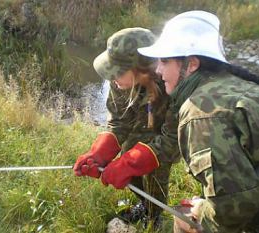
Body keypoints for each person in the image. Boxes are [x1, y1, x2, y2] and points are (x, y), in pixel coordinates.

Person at [100, 11, 259, 232]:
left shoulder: (201, 111)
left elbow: (235, 207)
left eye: (165, 61)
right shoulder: (233, 86)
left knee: (183, 218)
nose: (158, 70)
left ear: (191, 64)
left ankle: (159, 215)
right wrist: (102, 150)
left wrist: (200, 210)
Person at [73, 27, 180, 229]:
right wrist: (99, 153)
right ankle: (145, 204)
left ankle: (155, 213)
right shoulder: (119, 82)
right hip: (144, 126)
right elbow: (119, 121)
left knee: (156, 168)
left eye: (119, 71)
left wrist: (132, 163)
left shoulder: (172, 83)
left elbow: (172, 140)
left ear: (142, 68)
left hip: (170, 134)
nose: (112, 77)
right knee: (128, 149)